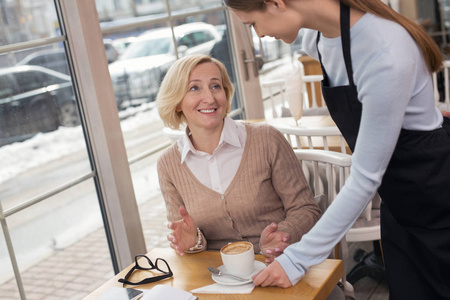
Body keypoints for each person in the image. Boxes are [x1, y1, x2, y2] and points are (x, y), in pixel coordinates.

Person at [224, 0, 450, 299]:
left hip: (438, 197)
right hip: (400, 202)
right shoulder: (317, 38)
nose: (259, 35)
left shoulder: (384, 49)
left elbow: (365, 178)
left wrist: (297, 259)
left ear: (276, 3)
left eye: (252, 25)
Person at [155, 54, 321, 262]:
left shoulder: (267, 139)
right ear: (177, 102)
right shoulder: (168, 165)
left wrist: (283, 234)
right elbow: (185, 235)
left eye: (216, 86)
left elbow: (305, 208)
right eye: (194, 88)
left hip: (282, 262)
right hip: (217, 276)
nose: (210, 98)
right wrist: (193, 242)